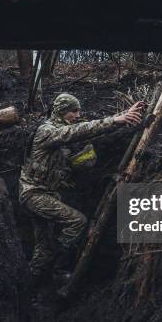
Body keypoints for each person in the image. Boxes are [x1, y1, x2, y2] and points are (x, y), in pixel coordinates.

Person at [19, 93, 144, 285]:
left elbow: (69, 158)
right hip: (34, 194)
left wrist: (126, 114)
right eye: (74, 111)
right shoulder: (47, 130)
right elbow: (81, 130)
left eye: (78, 110)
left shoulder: (60, 132)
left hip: (47, 194)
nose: (78, 115)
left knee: (44, 249)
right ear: (61, 111)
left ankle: (31, 288)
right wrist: (116, 120)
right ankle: (59, 271)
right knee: (77, 221)